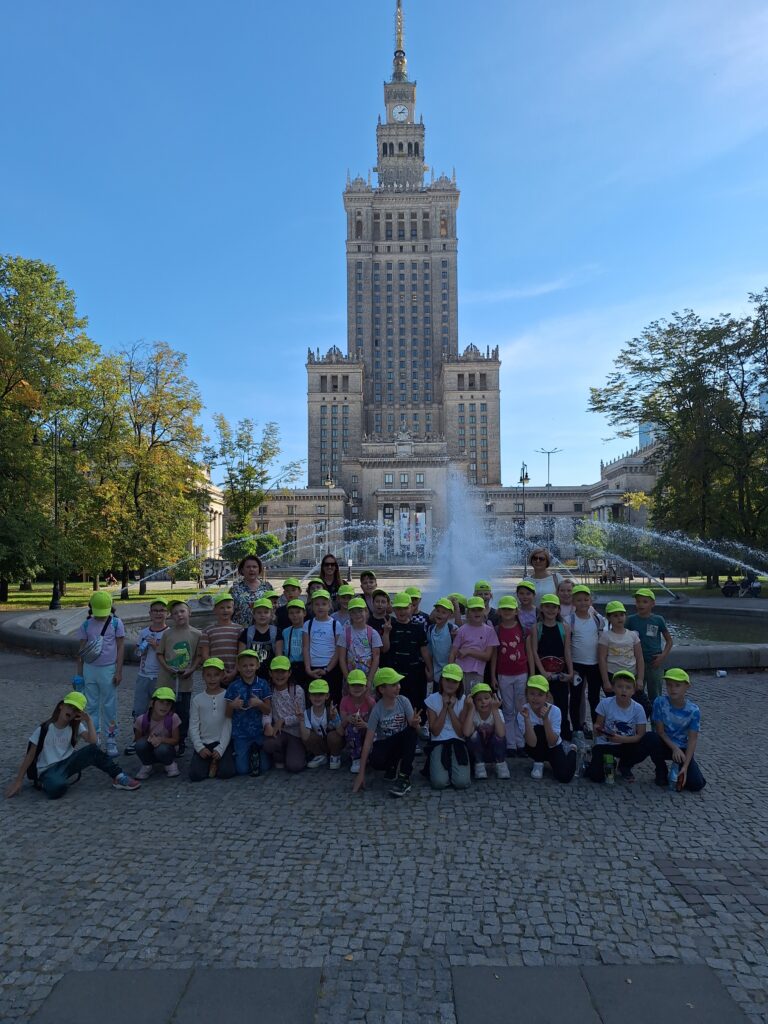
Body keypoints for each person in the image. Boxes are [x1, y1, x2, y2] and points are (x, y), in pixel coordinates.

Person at [5, 691, 139, 798]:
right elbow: (29, 756)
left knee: (93, 750)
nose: (71, 711)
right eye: (70, 706)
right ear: (61, 706)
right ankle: (47, 782)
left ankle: (119, 777)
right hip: (47, 770)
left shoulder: (76, 727)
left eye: (76, 710)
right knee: (56, 789)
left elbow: (93, 742)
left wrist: (89, 721)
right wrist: (18, 780)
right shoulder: (44, 729)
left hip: (67, 763)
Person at [352, 667, 422, 798]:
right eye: (394, 684)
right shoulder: (377, 709)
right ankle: (392, 767)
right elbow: (368, 742)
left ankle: (404, 777)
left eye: (398, 683)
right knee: (375, 760)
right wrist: (361, 774)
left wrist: (415, 724)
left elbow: (417, 732)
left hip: (402, 743)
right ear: (382, 689)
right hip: (386, 745)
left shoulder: (404, 701)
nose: (398, 687)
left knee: (411, 732)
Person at [75, 591, 125, 758]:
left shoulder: (116, 623)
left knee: (110, 706)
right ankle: (94, 737)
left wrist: (119, 671)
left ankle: (111, 738)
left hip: (108, 670)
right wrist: (79, 675)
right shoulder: (86, 625)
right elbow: (81, 651)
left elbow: (121, 647)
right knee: (91, 706)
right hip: (90, 670)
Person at [585, 670, 655, 783]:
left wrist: (621, 739)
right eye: (620, 686)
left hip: (627, 744)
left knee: (650, 739)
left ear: (633, 691)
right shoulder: (605, 703)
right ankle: (605, 762)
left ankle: (625, 765)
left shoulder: (638, 709)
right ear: (613, 688)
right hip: (606, 744)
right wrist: (597, 729)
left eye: (628, 687)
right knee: (596, 777)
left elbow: (640, 735)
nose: (624, 690)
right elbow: (598, 724)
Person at [156, 599, 203, 755]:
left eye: (182, 611)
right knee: (164, 710)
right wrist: (167, 667)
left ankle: (180, 740)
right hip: (166, 680)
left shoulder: (197, 634)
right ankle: (164, 737)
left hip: (184, 682)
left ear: (189, 612)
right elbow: (160, 654)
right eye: (175, 613)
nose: (179, 615)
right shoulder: (167, 633)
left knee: (183, 712)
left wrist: (191, 669)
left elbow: (198, 656)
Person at [648, 668, 706, 791]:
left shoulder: (693, 711)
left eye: (677, 685)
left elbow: (692, 740)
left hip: (683, 749)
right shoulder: (659, 702)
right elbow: (660, 731)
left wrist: (685, 767)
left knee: (697, 784)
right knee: (650, 738)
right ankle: (661, 769)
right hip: (665, 743)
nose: (673, 689)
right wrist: (674, 748)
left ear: (687, 686)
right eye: (669, 685)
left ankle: (679, 766)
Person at [126, 597, 170, 756]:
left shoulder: (169, 633)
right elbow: (137, 653)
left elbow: (170, 656)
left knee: (160, 709)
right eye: (155, 610)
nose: (158, 613)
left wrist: (156, 646)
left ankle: (160, 738)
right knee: (140, 709)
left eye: (162, 610)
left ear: (167, 613)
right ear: (150, 613)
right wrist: (142, 649)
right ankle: (138, 739)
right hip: (143, 675)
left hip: (160, 676)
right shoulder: (144, 632)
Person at [529, 594, 574, 741]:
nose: (550, 610)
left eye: (554, 607)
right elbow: (534, 651)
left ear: (559, 609)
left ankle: (564, 738)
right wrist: (542, 672)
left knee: (562, 706)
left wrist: (571, 672)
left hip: (559, 673)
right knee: (540, 705)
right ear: (541, 608)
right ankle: (541, 737)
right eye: (547, 606)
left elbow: (567, 651)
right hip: (542, 674)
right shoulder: (536, 628)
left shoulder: (564, 627)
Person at [380, 592, 433, 712]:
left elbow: (424, 650)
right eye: (398, 608)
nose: (402, 611)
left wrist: (430, 670)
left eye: (405, 608)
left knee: (416, 704)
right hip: (395, 675)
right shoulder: (390, 626)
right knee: (396, 705)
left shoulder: (418, 627)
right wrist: (386, 632)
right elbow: (385, 649)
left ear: (411, 607)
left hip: (415, 674)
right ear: (394, 609)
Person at [518, 675, 577, 783]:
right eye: (532, 694)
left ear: (546, 696)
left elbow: (552, 742)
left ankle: (572, 750)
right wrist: (526, 719)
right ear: (527, 694)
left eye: (540, 695)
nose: (535, 698)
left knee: (564, 776)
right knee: (537, 729)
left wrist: (545, 719)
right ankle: (538, 761)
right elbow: (531, 743)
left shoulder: (555, 711)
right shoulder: (523, 711)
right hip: (534, 747)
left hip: (553, 746)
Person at [491, 595, 529, 755]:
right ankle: (510, 744)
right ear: (499, 611)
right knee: (508, 709)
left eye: (510, 609)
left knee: (521, 708)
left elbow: (529, 651)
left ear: (516, 611)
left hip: (521, 672)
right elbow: (494, 654)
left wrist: (531, 673)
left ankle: (521, 742)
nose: (507, 612)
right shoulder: (497, 630)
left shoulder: (523, 629)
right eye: (504, 609)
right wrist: (493, 675)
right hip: (504, 674)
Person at [423, 663, 470, 790]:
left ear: (459, 684)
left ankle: (451, 769)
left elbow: (460, 733)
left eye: (454, 681)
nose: (450, 684)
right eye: (447, 680)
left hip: (458, 742)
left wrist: (451, 709)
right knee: (439, 783)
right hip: (438, 742)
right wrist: (444, 708)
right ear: (441, 680)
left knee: (462, 783)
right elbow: (435, 731)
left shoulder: (464, 700)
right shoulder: (432, 699)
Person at [225, 649, 271, 776]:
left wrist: (260, 704)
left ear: (257, 665)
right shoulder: (233, 686)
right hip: (241, 734)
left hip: (259, 733)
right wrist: (232, 706)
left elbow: (268, 710)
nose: (248, 668)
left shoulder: (263, 684)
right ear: (238, 667)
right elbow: (227, 714)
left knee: (265, 767)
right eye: (244, 666)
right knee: (242, 770)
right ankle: (237, 752)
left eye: (251, 665)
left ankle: (257, 751)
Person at [188, 658, 236, 782]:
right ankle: (209, 762)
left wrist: (221, 748)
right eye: (208, 675)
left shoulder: (227, 696)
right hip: (204, 742)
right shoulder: (197, 700)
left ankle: (217, 761)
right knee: (195, 775)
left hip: (222, 742)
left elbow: (228, 723)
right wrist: (199, 747)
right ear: (203, 676)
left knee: (226, 772)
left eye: (216, 675)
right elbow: (193, 725)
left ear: (222, 675)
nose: (212, 679)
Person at [598, 601, 647, 714]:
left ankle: (635, 723)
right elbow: (602, 659)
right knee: (615, 706)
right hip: (613, 675)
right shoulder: (606, 636)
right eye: (615, 616)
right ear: (609, 618)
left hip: (631, 674)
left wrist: (640, 679)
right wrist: (606, 681)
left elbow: (639, 658)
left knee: (644, 705)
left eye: (621, 615)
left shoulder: (632, 635)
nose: (619, 618)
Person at [569, 585, 606, 737]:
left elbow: (603, 638)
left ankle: (597, 728)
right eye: (579, 600)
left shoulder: (597, 619)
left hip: (594, 665)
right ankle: (577, 729)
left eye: (586, 599)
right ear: (573, 602)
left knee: (594, 697)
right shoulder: (570, 620)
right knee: (576, 697)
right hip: (577, 665)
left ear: (591, 601)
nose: (583, 603)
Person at [626, 588, 673, 704]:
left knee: (655, 695)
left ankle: (655, 715)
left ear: (653, 604)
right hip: (636, 663)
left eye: (644, 601)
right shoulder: (630, 620)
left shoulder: (658, 620)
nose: (640, 604)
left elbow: (669, 641)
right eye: (638, 601)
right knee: (635, 694)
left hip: (654, 663)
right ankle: (638, 715)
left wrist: (662, 656)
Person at [262, 656, 307, 772]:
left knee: (295, 766)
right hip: (278, 732)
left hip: (295, 733)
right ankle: (280, 755)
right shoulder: (269, 690)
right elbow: (267, 711)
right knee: (268, 745)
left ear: (289, 673)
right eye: (276, 671)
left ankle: (299, 752)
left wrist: (283, 720)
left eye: (283, 671)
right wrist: (267, 724)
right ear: (270, 673)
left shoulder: (297, 690)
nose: (279, 675)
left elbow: (301, 716)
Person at [302, 589, 343, 705]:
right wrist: (308, 669)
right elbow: (305, 647)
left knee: (332, 702)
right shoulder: (308, 624)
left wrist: (327, 669)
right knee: (314, 702)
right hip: (313, 668)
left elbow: (338, 650)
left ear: (329, 606)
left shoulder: (336, 624)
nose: (320, 607)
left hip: (331, 670)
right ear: (312, 606)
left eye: (324, 604)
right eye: (317, 604)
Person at [449, 596, 499, 688]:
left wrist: (468, 651)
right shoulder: (462, 630)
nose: (476, 612)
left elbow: (487, 656)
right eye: (473, 610)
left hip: (477, 673)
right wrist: (450, 672)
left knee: (475, 695)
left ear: (484, 611)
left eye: (479, 609)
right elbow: (453, 653)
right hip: (459, 671)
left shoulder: (490, 631)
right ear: (468, 612)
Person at [133, 687, 182, 779]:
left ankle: (169, 764)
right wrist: (149, 738)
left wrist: (160, 740)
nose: (164, 706)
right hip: (150, 748)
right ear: (152, 703)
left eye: (168, 704)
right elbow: (137, 740)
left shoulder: (173, 718)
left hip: (167, 749)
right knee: (140, 745)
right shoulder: (141, 720)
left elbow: (176, 740)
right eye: (161, 702)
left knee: (162, 749)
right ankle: (147, 765)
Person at [463, 682, 509, 779]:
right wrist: (471, 709)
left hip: (493, 751)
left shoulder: (497, 712)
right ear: (473, 702)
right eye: (479, 699)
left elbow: (501, 734)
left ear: (492, 699)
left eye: (486, 698)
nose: (483, 702)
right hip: (478, 752)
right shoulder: (473, 713)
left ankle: (501, 764)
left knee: (499, 737)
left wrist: (495, 710)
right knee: (473, 736)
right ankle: (479, 765)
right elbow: (466, 733)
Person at [337, 597, 383, 691]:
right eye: (353, 612)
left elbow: (376, 657)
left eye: (360, 611)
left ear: (366, 611)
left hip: (368, 677)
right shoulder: (345, 633)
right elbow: (341, 658)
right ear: (350, 614)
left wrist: (370, 680)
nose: (357, 614)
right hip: (351, 678)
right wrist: (347, 678)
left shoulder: (373, 633)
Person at [299, 680, 343, 769]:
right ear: (309, 696)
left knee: (334, 736)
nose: (317, 697)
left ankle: (335, 755)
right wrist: (301, 720)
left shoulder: (331, 710)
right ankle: (320, 755)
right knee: (309, 735)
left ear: (327, 696)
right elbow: (305, 737)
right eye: (314, 694)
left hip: (332, 742)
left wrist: (335, 718)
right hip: (320, 743)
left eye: (321, 694)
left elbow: (341, 733)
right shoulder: (307, 713)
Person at [200, 592, 242, 685]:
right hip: (215, 676)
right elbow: (205, 655)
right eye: (221, 608)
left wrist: (234, 672)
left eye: (228, 607)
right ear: (214, 610)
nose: (225, 610)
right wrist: (218, 673)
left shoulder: (239, 629)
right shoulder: (207, 631)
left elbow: (241, 654)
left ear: (233, 609)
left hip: (235, 674)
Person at [339, 669, 376, 774]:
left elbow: (376, 724)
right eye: (353, 685)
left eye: (360, 685)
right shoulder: (344, 701)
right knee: (352, 728)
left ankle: (369, 754)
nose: (356, 688)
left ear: (366, 687)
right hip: (353, 734)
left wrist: (365, 725)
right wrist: (348, 718)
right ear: (348, 687)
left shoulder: (371, 701)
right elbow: (342, 725)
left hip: (368, 731)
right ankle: (356, 758)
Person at [230, 554, 274, 627]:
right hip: (239, 630)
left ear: (259, 569)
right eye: (248, 567)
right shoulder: (235, 589)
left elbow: (273, 609)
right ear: (242, 570)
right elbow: (229, 610)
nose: (251, 569)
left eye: (254, 567)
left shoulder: (267, 587)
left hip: (263, 630)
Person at [426, 597, 458, 688]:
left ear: (450, 615)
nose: (439, 614)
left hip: (450, 674)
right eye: (438, 611)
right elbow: (429, 651)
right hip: (436, 674)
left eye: (444, 612)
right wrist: (430, 670)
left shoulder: (452, 628)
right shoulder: (431, 629)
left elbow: (457, 651)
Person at [275, 598, 307, 685]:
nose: (294, 615)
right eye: (291, 613)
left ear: (304, 613)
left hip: (305, 666)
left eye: (298, 612)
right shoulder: (285, 631)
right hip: (290, 666)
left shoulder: (308, 629)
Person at [238, 597, 279, 662]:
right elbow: (240, 657)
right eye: (259, 612)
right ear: (254, 615)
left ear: (271, 615)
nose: (262, 615)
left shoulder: (276, 632)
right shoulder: (246, 633)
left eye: (266, 612)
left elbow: (279, 657)